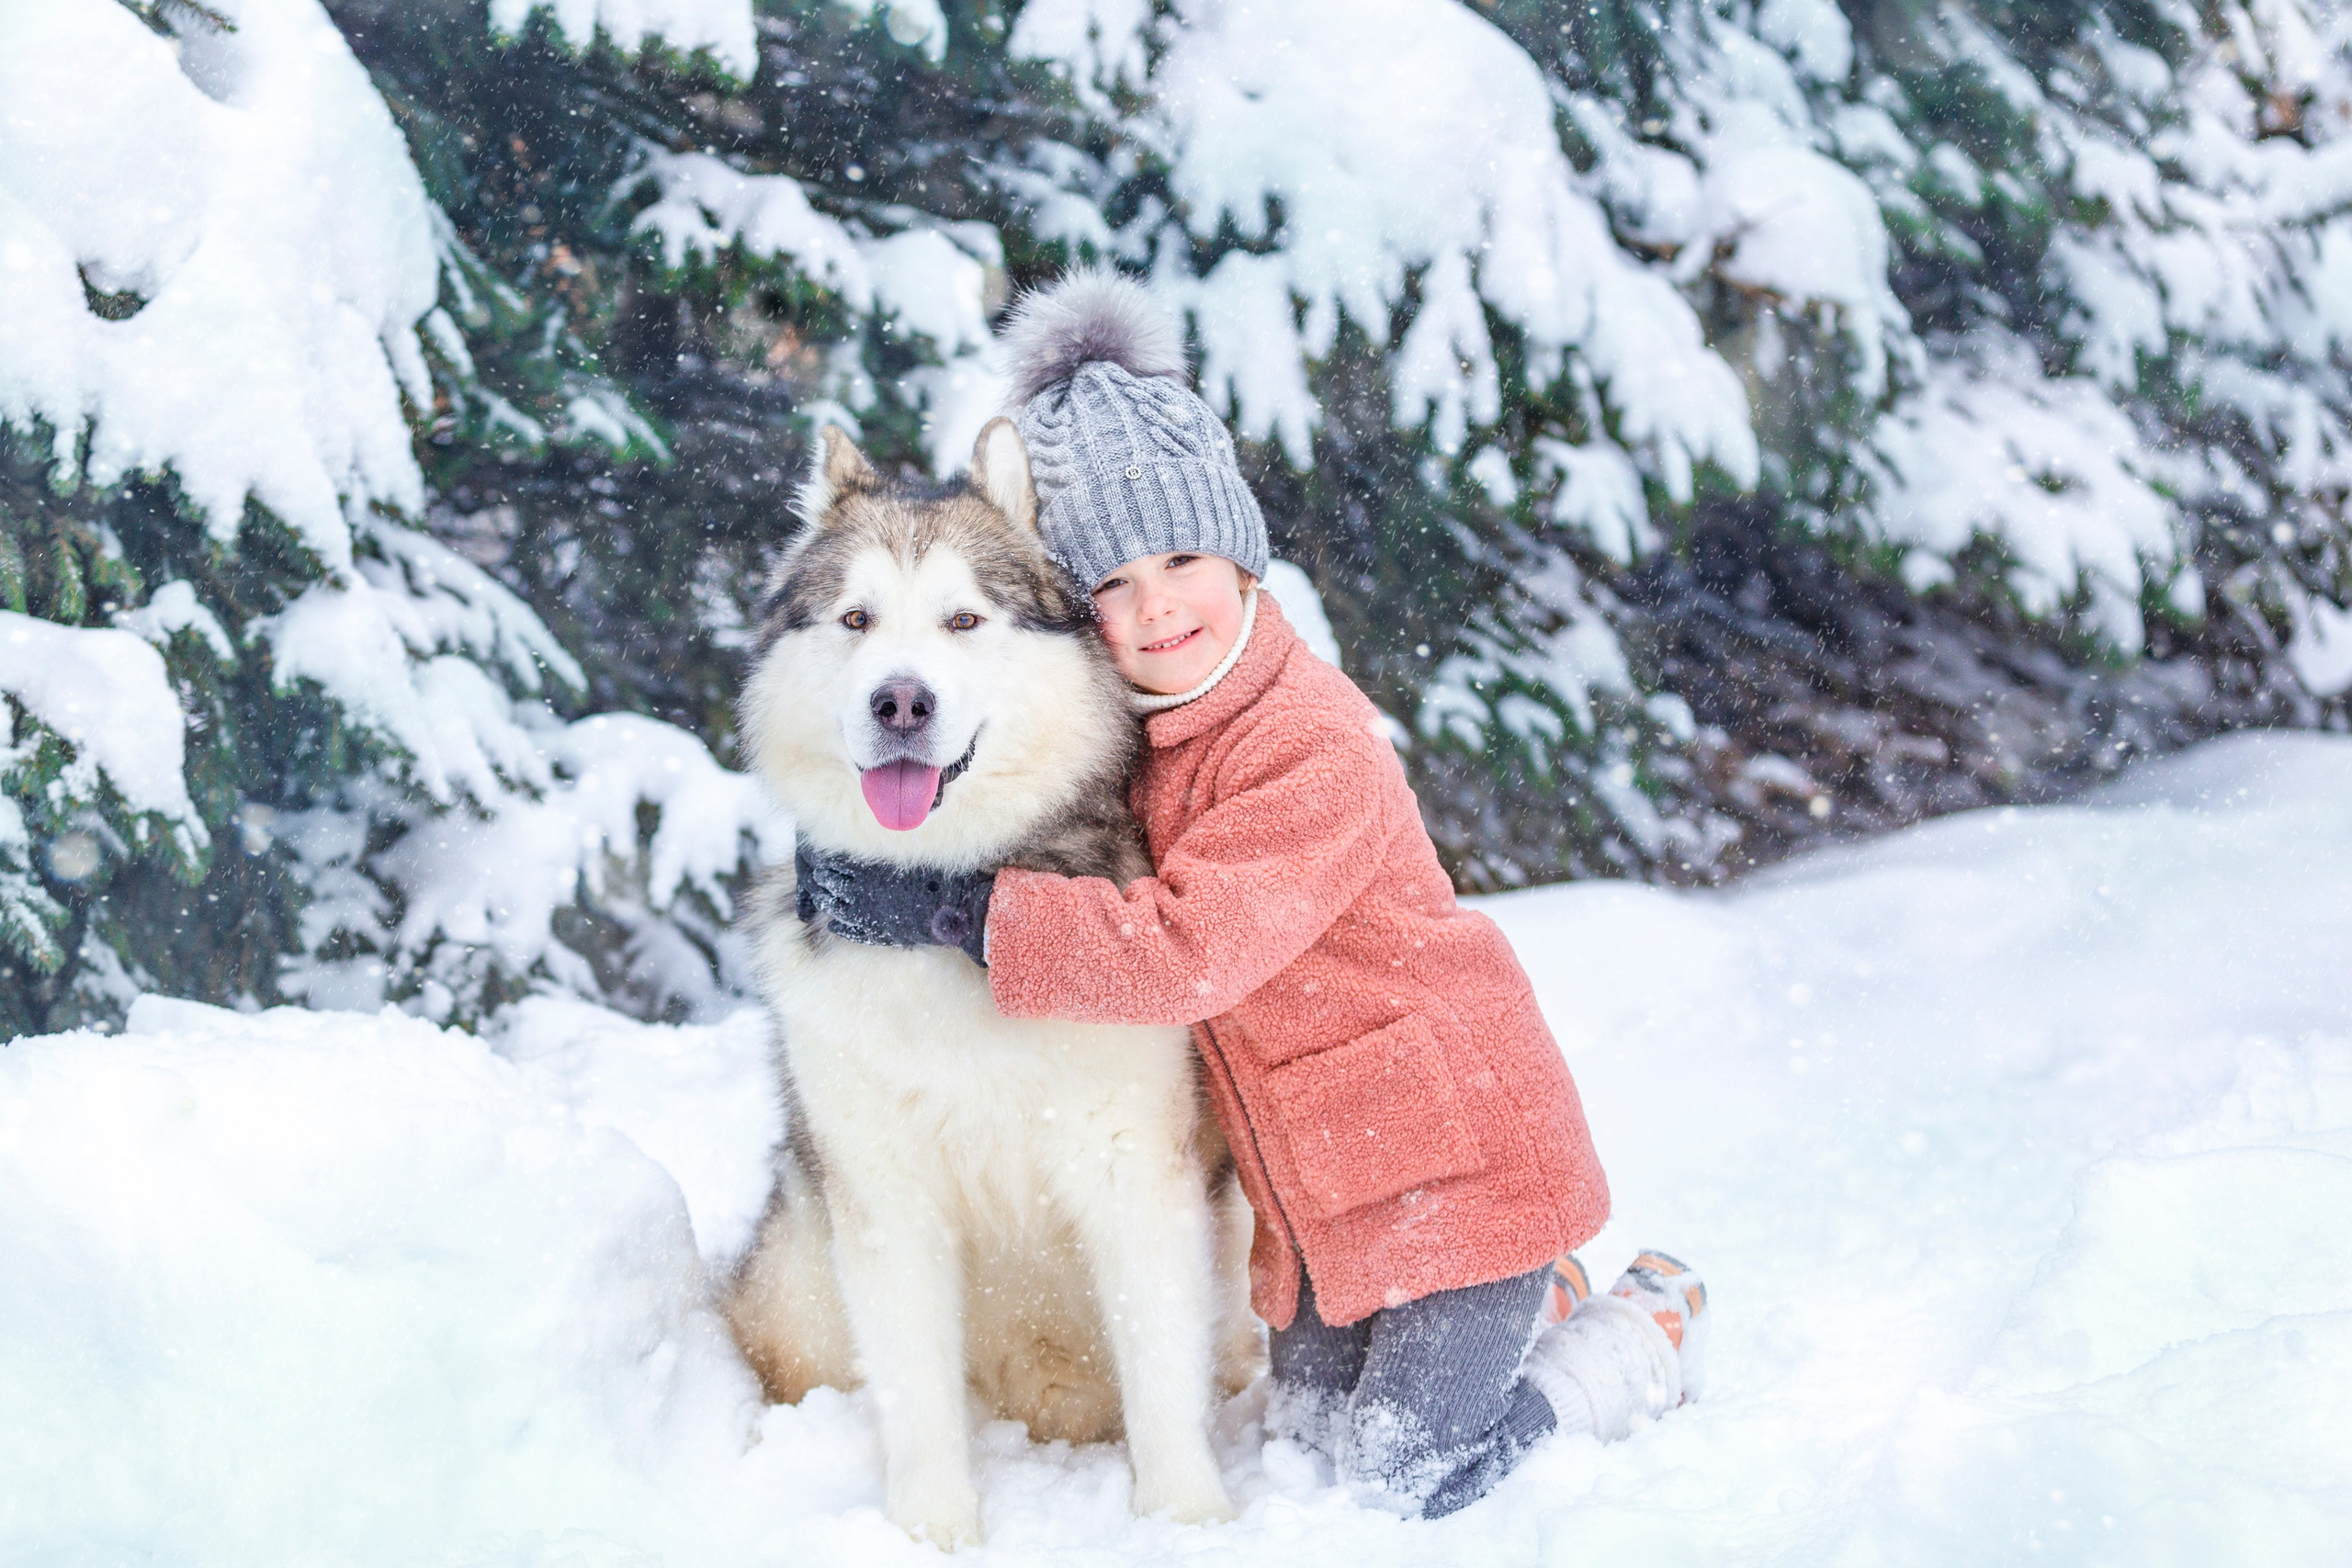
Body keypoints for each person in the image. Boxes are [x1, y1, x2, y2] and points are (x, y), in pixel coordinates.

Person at [801, 270, 1707, 1518]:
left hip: (1456, 1161)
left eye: (1183, 558)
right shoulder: (1151, 738)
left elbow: (1184, 954)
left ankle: (1620, 1343)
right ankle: (1521, 1308)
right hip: (1330, 1191)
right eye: (1111, 582)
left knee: (1401, 1475)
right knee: (1309, 1441)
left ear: (1242, 558)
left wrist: (957, 914)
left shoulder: (1305, 743)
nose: (1156, 602)